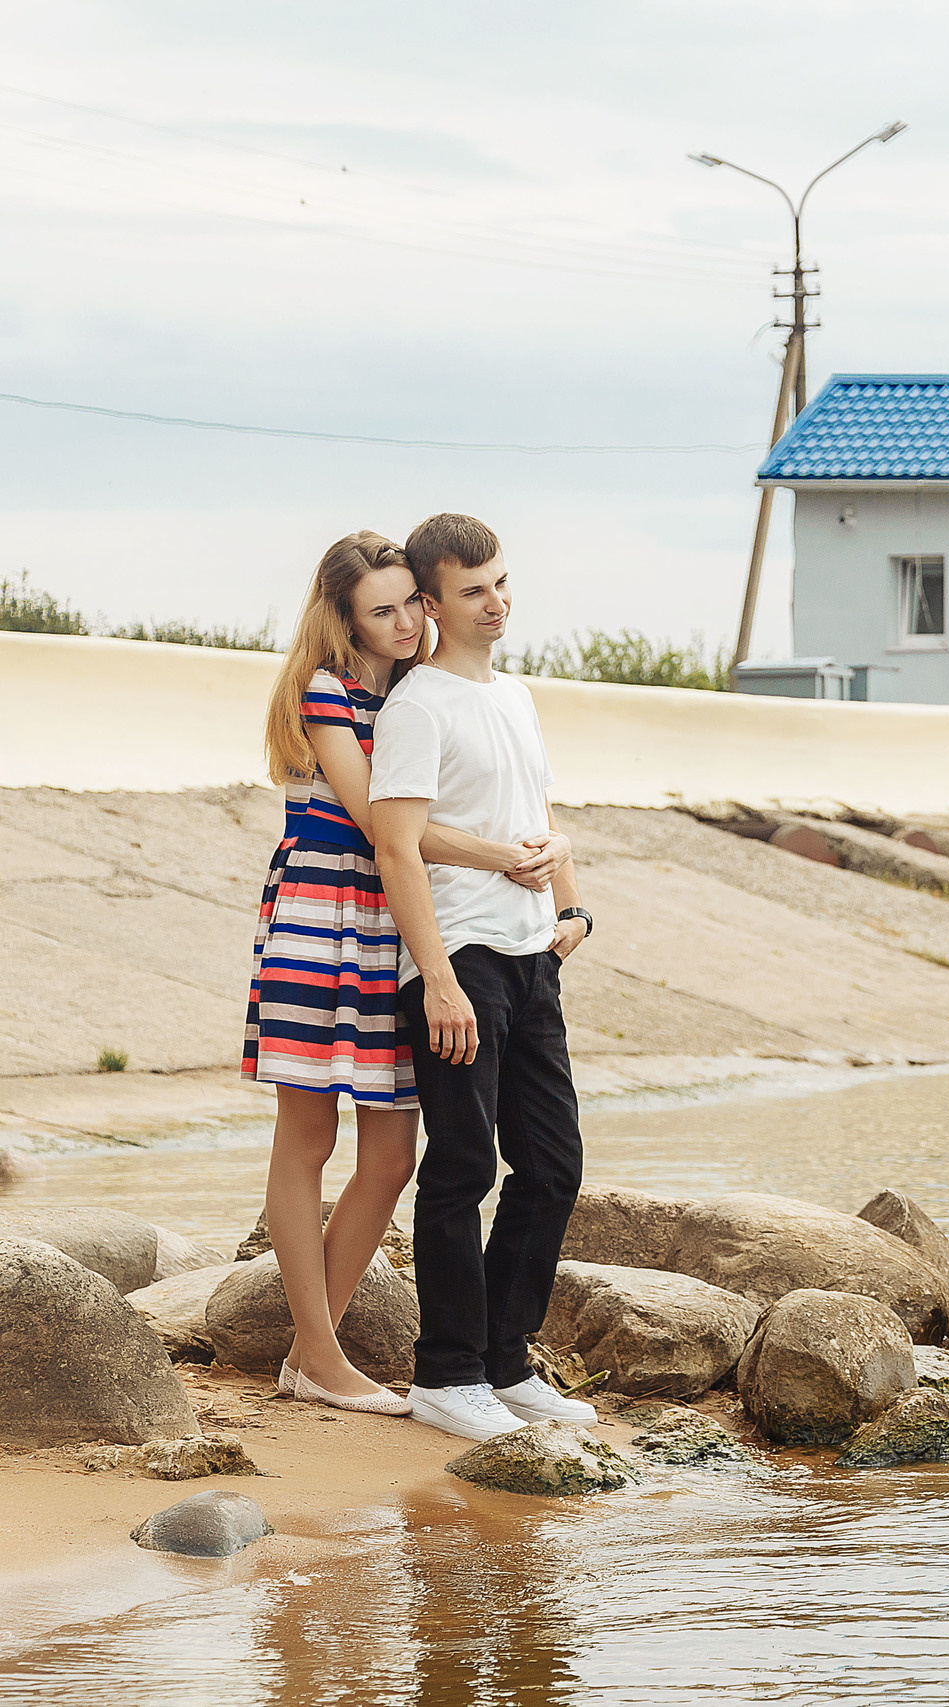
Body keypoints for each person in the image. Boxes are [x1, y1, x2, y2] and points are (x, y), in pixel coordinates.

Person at [242, 531, 568, 1415]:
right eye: (378, 610)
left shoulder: (413, 695)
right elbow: (385, 824)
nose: (402, 622)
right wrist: (507, 856)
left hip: (395, 924)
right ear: (345, 618)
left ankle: (312, 1352)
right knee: (307, 1137)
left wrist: (546, 862)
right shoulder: (325, 692)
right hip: (322, 916)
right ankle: (320, 1353)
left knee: (391, 1154)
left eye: (407, 604)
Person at [370, 513, 599, 1442]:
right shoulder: (417, 706)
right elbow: (397, 843)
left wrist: (573, 913)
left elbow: (535, 811)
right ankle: (447, 1373)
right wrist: (437, 979)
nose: (496, 602)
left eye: (501, 582)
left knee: (552, 1164)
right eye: (473, 590)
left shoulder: (516, 695)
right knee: (462, 1165)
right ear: (431, 602)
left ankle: (506, 1361)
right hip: (458, 958)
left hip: (531, 955)